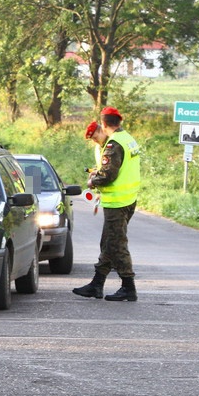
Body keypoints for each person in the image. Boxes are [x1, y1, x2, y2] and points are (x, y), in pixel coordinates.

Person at [73, 107, 141, 302]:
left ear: (103, 124)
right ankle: (97, 283)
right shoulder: (127, 138)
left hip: (117, 202)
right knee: (108, 242)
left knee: (117, 244)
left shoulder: (114, 144)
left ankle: (128, 286)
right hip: (127, 199)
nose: (94, 141)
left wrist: (93, 181)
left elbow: (109, 174)